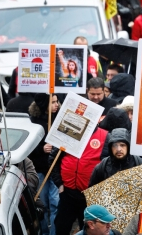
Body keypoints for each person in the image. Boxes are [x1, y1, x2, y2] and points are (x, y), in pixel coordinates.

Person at [51, 123, 109, 235]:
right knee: (61, 227)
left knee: (89, 230)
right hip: (67, 193)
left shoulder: (105, 136)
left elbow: (107, 165)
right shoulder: (68, 131)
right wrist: (59, 183)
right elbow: (53, 160)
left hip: (89, 196)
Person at [28, 93, 60, 235]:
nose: (56, 105)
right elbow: (27, 146)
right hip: (40, 169)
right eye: (52, 102)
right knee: (42, 204)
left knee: (55, 204)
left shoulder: (60, 119)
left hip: (56, 168)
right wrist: (41, 148)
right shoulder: (33, 122)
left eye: (57, 101)